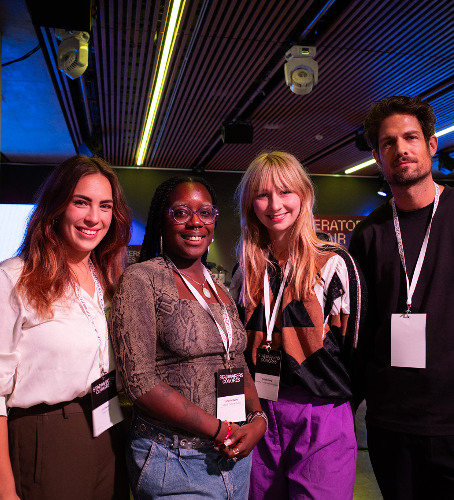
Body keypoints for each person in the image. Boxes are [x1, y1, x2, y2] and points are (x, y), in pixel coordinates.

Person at [349, 95, 454, 499]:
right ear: (378, 157)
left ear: (431, 145)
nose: (400, 149)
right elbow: (362, 334)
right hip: (394, 426)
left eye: (410, 137)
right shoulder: (368, 235)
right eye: (388, 142)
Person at [109, 176, 267, 500]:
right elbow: (139, 382)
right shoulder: (142, 279)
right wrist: (219, 429)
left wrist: (258, 418)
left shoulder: (218, 288)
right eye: (181, 212)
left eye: (205, 212)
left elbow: (236, 362)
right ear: (162, 220)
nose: (196, 222)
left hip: (233, 459)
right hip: (174, 459)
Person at [232, 151, 365, 500]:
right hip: (259, 413)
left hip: (321, 414)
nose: (275, 204)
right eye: (262, 194)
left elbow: (355, 348)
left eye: (285, 192)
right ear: (250, 204)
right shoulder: (245, 269)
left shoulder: (334, 264)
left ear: (303, 195)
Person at [0, 155, 132, 500]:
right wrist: (4, 487)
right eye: (81, 202)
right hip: (48, 433)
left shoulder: (108, 279)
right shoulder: (15, 277)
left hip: (109, 426)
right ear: (56, 207)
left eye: (105, 206)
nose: (94, 218)